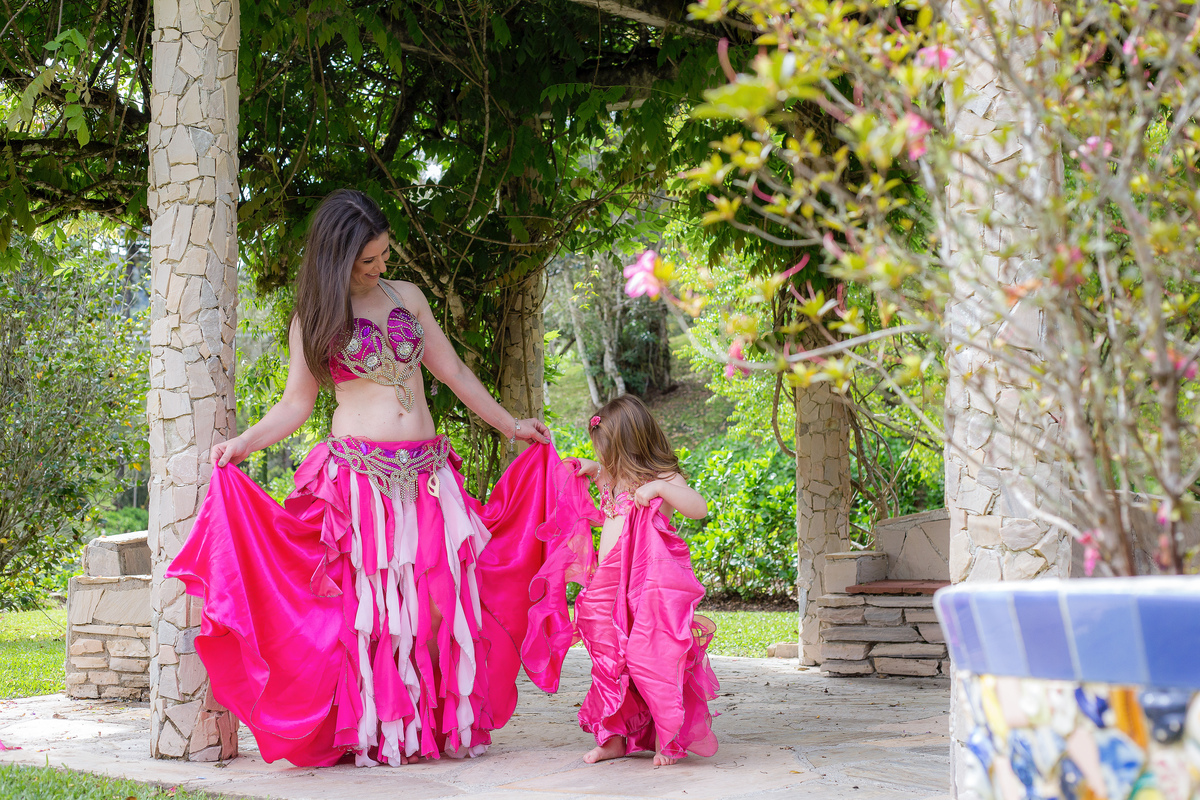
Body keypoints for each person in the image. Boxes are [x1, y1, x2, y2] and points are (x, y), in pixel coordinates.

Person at [165, 189, 597, 768]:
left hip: (428, 477)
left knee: (440, 606)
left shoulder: (408, 297)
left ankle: (429, 727)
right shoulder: (315, 319)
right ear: (337, 259)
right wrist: (244, 443)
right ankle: (378, 730)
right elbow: (296, 405)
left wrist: (510, 423)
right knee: (374, 615)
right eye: (368, 261)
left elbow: (455, 371)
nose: (379, 268)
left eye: (383, 256)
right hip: (360, 483)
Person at [567, 394, 719, 766]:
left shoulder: (663, 477)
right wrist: (585, 465)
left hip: (647, 587)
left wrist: (660, 489)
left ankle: (666, 737)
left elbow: (698, 508)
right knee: (608, 659)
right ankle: (613, 736)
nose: (600, 457)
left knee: (650, 657)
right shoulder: (610, 477)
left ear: (627, 445)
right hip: (607, 586)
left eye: (604, 450)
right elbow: (593, 481)